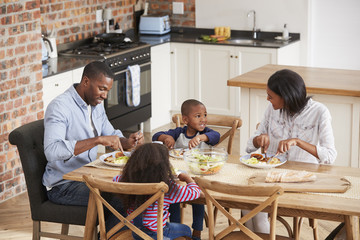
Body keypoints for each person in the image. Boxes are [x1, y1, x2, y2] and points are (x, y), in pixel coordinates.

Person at [43, 61, 144, 230]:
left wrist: (128, 142)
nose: (105, 96)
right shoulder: (60, 107)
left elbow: (111, 135)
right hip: (63, 186)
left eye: (107, 91)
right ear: (86, 82)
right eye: (102, 88)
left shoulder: (95, 104)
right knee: (123, 199)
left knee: (139, 189)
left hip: (89, 175)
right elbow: (52, 151)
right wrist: (97, 140)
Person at [244, 69, 337, 233]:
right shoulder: (271, 109)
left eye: (271, 96)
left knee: (255, 206)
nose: (267, 99)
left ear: (286, 96)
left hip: (301, 177)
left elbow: (330, 156)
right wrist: (259, 139)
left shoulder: (320, 112)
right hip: (271, 174)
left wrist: (299, 142)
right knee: (246, 203)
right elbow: (250, 146)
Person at [152, 99, 221, 240]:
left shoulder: (207, 133)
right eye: (198, 116)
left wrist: (202, 137)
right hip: (178, 175)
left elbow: (216, 136)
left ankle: (197, 231)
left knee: (198, 198)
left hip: (199, 175)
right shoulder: (179, 132)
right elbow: (155, 136)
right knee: (173, 196)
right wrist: (167, 137)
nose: (203, 119)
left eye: (205, 115)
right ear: (185, 120)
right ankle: (176, 228)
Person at [113, 143, 201, 240]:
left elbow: (115, 179)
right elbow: (195, 192)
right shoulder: (167, 188)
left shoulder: (125, 180)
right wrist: (188, 179)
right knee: (186, 230)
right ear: (164, 167)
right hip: (158, 232)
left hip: (135, 230)